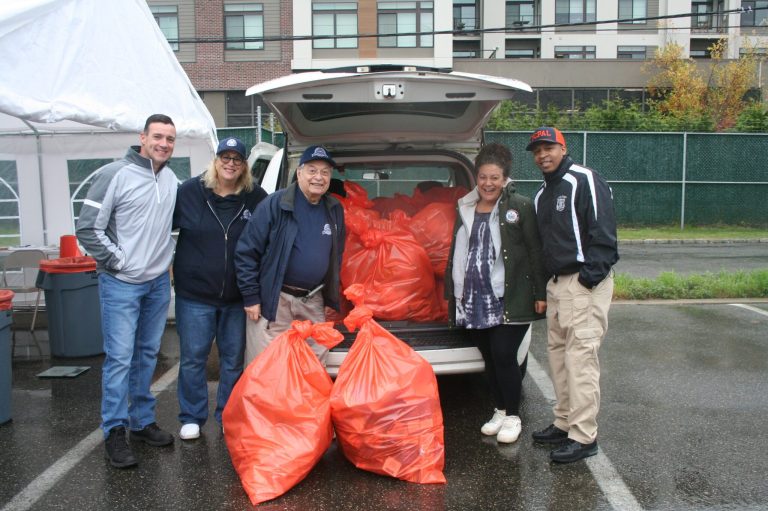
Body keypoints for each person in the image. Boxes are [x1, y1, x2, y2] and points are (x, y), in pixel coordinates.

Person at [76, 114, 179, 468]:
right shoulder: (114, 174)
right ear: (143, 137)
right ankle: (114, 431)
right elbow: (87, 228)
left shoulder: (170, 179)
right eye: (158, 136)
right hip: (120, 284)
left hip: (156, 285)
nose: (164, 144)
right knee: (120, 359)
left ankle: (141, 421)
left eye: (170, 139)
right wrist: (118, 262)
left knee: (147, 356)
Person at [445, 143, 547, 444]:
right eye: (483, 177)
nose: (488, 183)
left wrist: (540, 292)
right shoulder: (465, 206)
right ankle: (500, 410)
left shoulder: (520, 206)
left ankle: (514, 416)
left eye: (495, 178)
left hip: (509, 296)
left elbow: (534, 252)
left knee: (505, 356)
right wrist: (455, 292)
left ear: (505, 179)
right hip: (474, 297)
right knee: (489, 358)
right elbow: (460, 250)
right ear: (477, 178)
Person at [527, 127, 619, 463]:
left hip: (582, 282)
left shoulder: (584, 180)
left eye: (549, 147)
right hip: (556, 285)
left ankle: (583, 436)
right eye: (536, 151)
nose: (542, 155)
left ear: (563, 148)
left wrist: (587, 279)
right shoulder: (541, 194)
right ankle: (565, 422)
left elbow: (604, 232)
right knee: (559, 358)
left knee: (580, 361)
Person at [172, 137, 267, 441]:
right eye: (224, 157)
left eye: (236, 159)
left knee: (233, 360)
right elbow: (160, 229)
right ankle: (191, 416)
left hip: (237, 298)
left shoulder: (256, 197)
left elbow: (269, 239)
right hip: (195, 296)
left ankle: (227, 413)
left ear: (244, 166)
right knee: (193, 358)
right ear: (215, 161)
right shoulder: (189, 192)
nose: (230, 163)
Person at [235, 145, 345, 365]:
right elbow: (246, 252)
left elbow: (337, 253)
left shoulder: (334, 209)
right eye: (312, 170)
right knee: (269, 366)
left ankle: (307, 402)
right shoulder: (275, 204)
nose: (319, 177)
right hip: (276, 299)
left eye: (325, 172)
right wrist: (251, 297)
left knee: (313, 365)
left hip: (312, 300)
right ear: (299, 172)